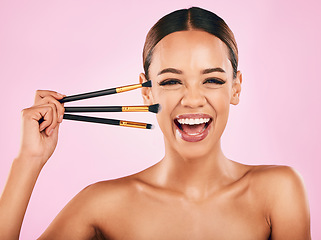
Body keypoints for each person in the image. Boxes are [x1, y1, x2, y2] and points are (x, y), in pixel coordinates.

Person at [0, 7, 311, 240]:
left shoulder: (279, 191)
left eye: (212, 80)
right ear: (147, 91)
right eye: (172, 81)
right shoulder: (101, 204)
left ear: (236, 87)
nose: (192, 99)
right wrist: (28, 161)